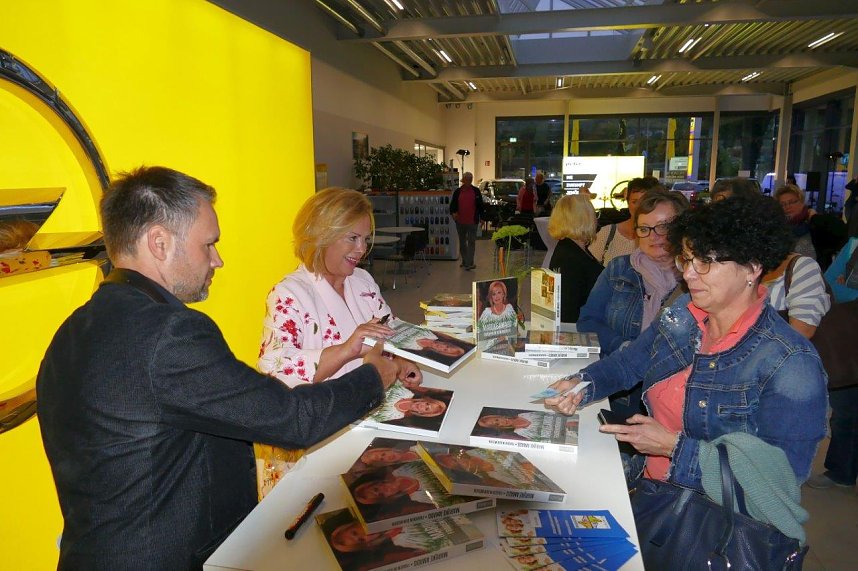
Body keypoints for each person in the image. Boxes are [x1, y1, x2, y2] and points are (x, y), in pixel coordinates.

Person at [36, 166, 403, 570]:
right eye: (208, 244)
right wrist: (372, 376)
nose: (218, 259)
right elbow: (291, 419)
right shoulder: (169, 334)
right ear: (159, 243)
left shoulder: (74, 329)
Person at [545, 195, 828, 492]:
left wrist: (673, 448)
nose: (688, 274)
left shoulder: (791, 362)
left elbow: (778, 485)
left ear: (752, 266)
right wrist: (581, 384)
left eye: (705, 261)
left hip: (711, 522)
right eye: (687, 259)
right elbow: (628, 363)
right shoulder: (683, 315)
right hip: (650, 488)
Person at [258, 187, 420, 387]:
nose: (362, 249)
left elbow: (390, 332)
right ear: (320, 236)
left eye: (365, 239)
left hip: (375, 403)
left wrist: (401, 362)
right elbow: (274, 369)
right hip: (328, 411)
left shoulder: (363, 281)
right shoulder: (288, 294)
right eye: (353, 238)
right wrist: (347, 350)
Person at [577, 190, 689, 425]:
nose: (653, 236)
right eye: (644, 228)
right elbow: (588, 321)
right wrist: (624, 346)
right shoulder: (619, 269)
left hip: (676, 400)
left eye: (663, 226)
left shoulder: (697, 280)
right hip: (621, 392)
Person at [547, 194, 603, 323]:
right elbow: (567, 310)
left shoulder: (573, 248)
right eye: (594, 214)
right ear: (584, 219)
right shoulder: (569, 257)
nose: (596, 218)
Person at [589, 177, 660, 265]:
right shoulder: (607, 233)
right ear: (628, 202)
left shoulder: (661, 238)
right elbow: (589, 270)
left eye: (644, 202)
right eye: (634, 202)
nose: (639, 207)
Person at [450, 171, 484, 270]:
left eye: (470, 179)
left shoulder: (476, 191)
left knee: (471, 242)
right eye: (467, 179)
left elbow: (480, 206)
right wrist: (453, 213)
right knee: (462, 242)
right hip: (460, 222)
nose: (469, 181)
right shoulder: (458, 192)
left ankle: (469, 263)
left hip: (472, 221)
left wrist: (482, 218)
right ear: (463, 180)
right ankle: (465, 261)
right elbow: (452, 206)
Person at [774, 183, 816, 259]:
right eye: (782, 204)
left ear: (802, 203)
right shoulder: (776, 229)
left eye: (792, 202)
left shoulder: (814, 224)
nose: (787, 207)